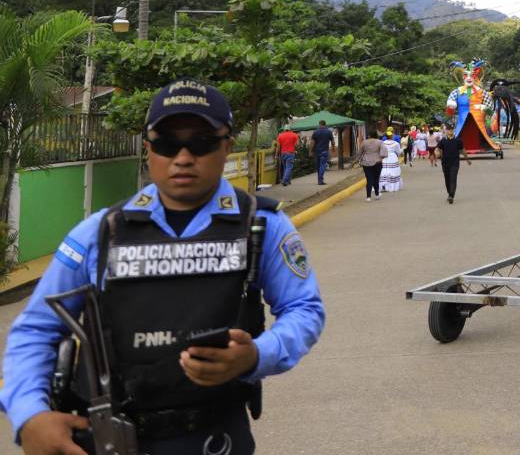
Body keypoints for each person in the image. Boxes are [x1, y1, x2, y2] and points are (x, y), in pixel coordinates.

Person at [0, 80, 325, 455]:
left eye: (201, 142)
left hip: (214, 439)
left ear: (227, 146)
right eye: (168, 143)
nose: (183, 157)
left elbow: (304, 310)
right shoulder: (100, 233)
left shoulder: (262, 227)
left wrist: (256, 354)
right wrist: (30, 415)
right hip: (110, 437)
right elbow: (37, 328)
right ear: (149, 149)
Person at [434, 123, 470, 204]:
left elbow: (462, 150)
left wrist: (467, 159)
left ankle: (451, 196)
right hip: (445, 163)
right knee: (447, 180)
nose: (450, 131)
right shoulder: (443, 141)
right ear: (446, 131)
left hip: (455, 163)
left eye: (452, 130)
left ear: (454, 131)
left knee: (453, 179)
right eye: (448, 130)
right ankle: (450, 193)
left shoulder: (458, 140)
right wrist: (437, 154)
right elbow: (437, 149)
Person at [356, 129, 387, 202]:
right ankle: (376, 194)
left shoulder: (364, 142)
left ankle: (368, 197)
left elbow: (359, 153)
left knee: (369, 179)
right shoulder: (380, 142)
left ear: (369, 135)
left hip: (366, 163)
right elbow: (383, 153)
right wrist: (380, 158)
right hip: (377, 162)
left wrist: (357, 160)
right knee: (376, 179)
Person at [310, 120, 334, 186]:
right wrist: (333, 148)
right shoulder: (329, 131)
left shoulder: (315, 132)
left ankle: (319, 180)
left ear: (319, 124)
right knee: (322, 165)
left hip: (316, 151)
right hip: (324, 151)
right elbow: (332, 141)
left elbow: (312, 142)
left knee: (318, 166)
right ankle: (320, 180)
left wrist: (311, 151)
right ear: (325, 124)